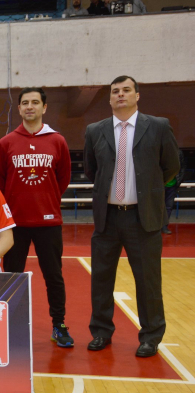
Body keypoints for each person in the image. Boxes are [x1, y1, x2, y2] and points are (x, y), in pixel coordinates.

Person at [83, 75, 179, 357]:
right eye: (115, 91)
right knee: (101, 280)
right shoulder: (95, 130)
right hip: (107, 218)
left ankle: (150, 336)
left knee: (148, 282)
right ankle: (101, 332)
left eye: (126, 90)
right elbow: (91, 170)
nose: (120, 95)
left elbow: (171, 166)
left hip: (143, 218)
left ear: (137, 96)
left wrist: (148, 191)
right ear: (110, 98)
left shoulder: (158, 126)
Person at [0, 87, 73, 347]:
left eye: (35, 102)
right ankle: (10, 325)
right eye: (25, 103)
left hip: (48, 222)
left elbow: (63, 178)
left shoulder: (57, 141)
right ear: (19, 109)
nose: (30, 106)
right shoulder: (6, 142)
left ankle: (59, 325)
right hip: (14, 224)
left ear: (44, 107)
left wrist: (46, 199)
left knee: (54, 276)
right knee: (12, 275)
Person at [162, 149, 186, 235]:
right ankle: (157, 227)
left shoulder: (179, 152)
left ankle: (164, 226)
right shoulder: (160, 150)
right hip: (160, 185)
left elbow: (182, 168)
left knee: (169, 206)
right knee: (158, 206)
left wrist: (178, 181)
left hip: (172, 185)